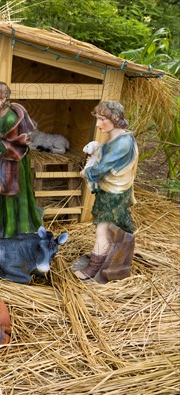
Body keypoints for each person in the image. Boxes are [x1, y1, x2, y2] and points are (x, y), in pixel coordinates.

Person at [74, 101, 138, 282]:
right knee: (106, 229)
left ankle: (92, 269)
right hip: (108, 190)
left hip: (114, 194)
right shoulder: (115, 137)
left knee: (102, 230)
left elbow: (102, 168)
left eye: (102, 119)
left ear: (115, 119)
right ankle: (104, 258)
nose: (98, 124)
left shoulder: (122, 143)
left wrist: (86, 172)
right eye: (98, 119)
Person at [0, 81, 42, 238]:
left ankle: (10, 230)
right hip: (3, 161)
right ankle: (0, 224)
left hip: (12, 163)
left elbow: (9, 144)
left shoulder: (10, 118)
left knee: (10, 194)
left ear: (3, 98)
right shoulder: (0, 115)